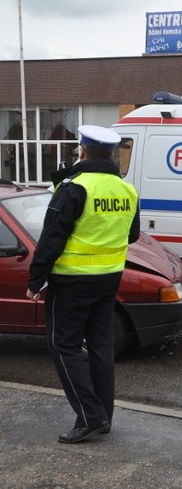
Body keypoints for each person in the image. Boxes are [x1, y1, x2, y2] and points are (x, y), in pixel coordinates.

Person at [26, 125, 140, 444]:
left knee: (63, 345)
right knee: (100, 346)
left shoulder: (74, 186)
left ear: (83, 151)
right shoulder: (126, 190)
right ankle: (103, 414)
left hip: (72, 280)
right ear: (111, 155)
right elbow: (131, 235)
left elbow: (51, 237)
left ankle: (91, 416)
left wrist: (35, 279)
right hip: (109, 279)